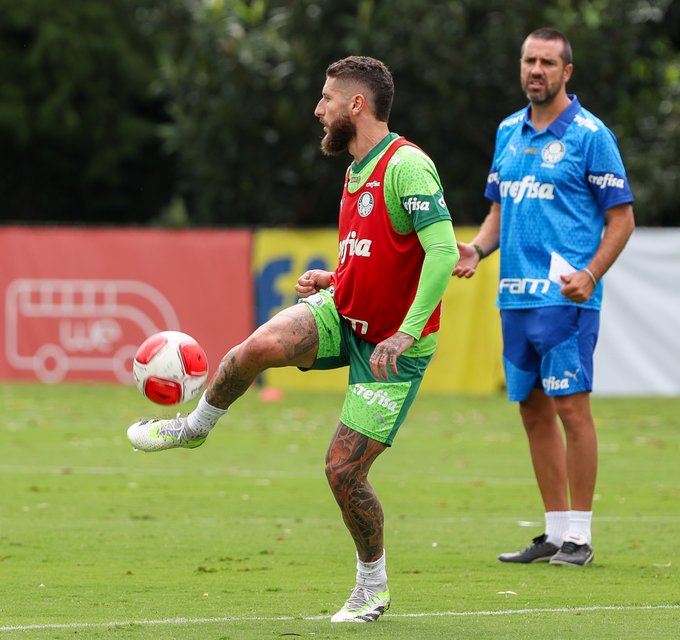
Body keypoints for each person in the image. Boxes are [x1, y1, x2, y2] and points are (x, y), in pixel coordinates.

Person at [128, 56, 459, 622]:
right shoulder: (356, 168)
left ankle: (372, 584)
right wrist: (336, 279)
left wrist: (405, 333)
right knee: (255, 347)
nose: (318, 108)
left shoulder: (407, 166)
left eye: (327, 98)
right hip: (344, 312)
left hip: (393, 348)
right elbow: (381, 255)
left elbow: (444, 253)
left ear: (356, 105)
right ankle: (193, 429)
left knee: (342, 472)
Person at [454, 28, 635, 567]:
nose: (537, 70)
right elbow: (499, 210)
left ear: (566, 72)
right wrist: (478, 251)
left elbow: (622, 219)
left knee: (572, 409)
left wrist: (592, 273)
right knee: (533, 412)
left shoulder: (590, 134)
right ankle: (555, 534)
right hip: (514, 297)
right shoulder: (508, 130)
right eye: (529, 60)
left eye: (548, 62)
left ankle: (580, 535)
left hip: (565, 297)